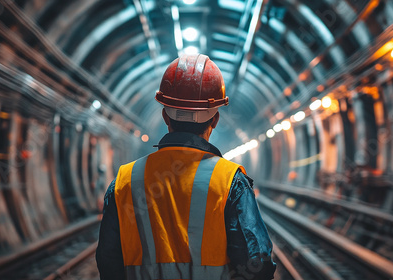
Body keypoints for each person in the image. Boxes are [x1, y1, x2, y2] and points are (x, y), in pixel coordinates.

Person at [96, 54, 276, 280]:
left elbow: (108, 262)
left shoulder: (125, 181)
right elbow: (257, 262)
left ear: (164, 116)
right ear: (215, 120)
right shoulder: (230, 181)